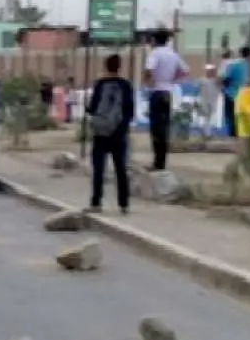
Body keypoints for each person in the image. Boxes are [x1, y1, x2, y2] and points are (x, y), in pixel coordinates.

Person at [85, 54, 135, 215]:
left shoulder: (100, 84)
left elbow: (92, 107)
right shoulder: (126, 85)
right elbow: (130, 111)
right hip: (119, 133)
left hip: (100, 133)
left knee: (99, 169)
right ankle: (124, 204)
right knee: (120, 169)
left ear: (105, 66)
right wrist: (122, 128)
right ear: (119, 66)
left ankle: (96, 202)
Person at [143, 29, 188, 170]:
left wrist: (148, 82)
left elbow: (148, 70)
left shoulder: (155, 53)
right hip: (168, 91)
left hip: (156, 91)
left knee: (156, 129)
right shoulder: (173, 54)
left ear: (155, 40)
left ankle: (157, 162)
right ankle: (162, 161)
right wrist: (172, 80)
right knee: (164, 127)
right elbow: (185, 70)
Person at [221, 46, 250, 138]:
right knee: (238, 114)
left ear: (240, 53)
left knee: (230, 114)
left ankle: (232, 133)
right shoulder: (246, 66)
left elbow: (226, 78)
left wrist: (223, 84)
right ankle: (239, 132)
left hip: (230, 92)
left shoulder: (233, 64)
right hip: (242, 93)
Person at [197, 63, 222, 138]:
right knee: (205, 117)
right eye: (208, 70)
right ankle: (206, 133)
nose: (209, 72)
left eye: (211, 71)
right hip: (204, 100)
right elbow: (197, 89)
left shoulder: (216, 80)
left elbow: (220, 87)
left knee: (209, 117)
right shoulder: (202, 80)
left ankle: (207, 132)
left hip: (213, 101)